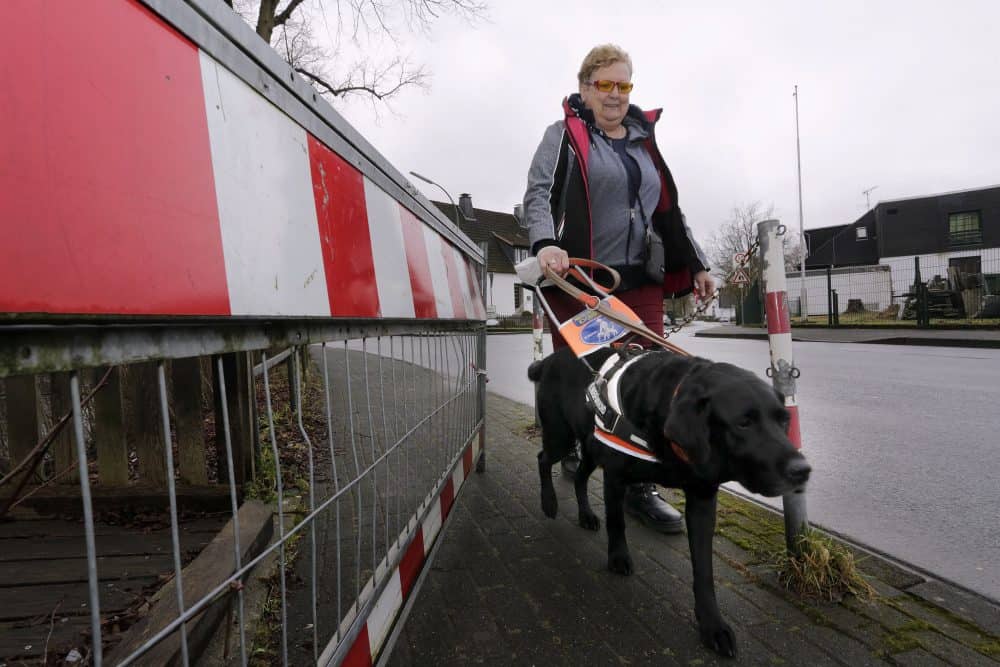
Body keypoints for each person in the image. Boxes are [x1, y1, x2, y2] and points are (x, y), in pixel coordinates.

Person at [522, 44, 715, 534]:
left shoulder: (643, 141)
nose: (614, 94)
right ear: (586, 87)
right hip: (583, 281)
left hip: (640, 280)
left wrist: (696, 264)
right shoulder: (563, 135)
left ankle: (637, 485)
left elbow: (667, 210)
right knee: (591, 378)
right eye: (604, 84)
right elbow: (538, 193)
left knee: (649, 380)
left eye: (623, 85)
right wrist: (545, 243)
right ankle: (576, 449)